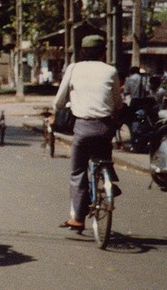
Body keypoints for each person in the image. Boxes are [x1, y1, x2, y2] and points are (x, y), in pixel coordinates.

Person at [52, 34, 123, 231]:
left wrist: (56, 110)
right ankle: (109, 178)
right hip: (105, 126)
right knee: (103, 153)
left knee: (78, 172)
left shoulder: (74, 68)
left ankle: (78, 218)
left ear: (82, 50)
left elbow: (59, 100)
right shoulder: (110, 71)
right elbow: (117, 102)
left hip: (83, 127)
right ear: (103, 52)